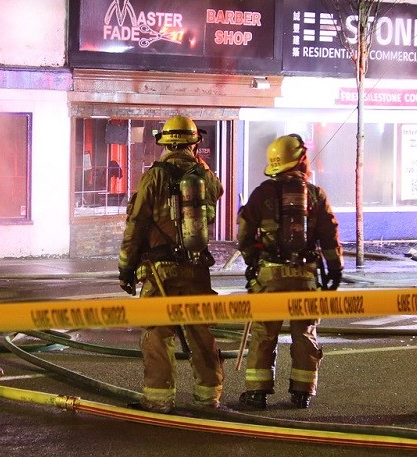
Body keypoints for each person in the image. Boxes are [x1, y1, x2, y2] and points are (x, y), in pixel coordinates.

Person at [117, 115, 224, 413]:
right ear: (194, 143)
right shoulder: (204, 176)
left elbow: (136, 225)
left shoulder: (154, 177)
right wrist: (199, 164)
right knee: (200, 331)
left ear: (164, 142)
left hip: (160, 270)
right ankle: (209, 397)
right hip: (196, 268)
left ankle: (158, 399)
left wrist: (125, 268)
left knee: (157, 333)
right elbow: (218, 191)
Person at [236, 134, 343, 409]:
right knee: (304, 333)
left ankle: (257, 393)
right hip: (305, 275)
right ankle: (302, 392)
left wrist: (253, 261)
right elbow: (329, 236)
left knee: (264, 332)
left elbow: (245, 233)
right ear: (300, 159)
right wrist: (335, 269)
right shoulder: (316, 195)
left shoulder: (261, 193)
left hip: (270, 275)